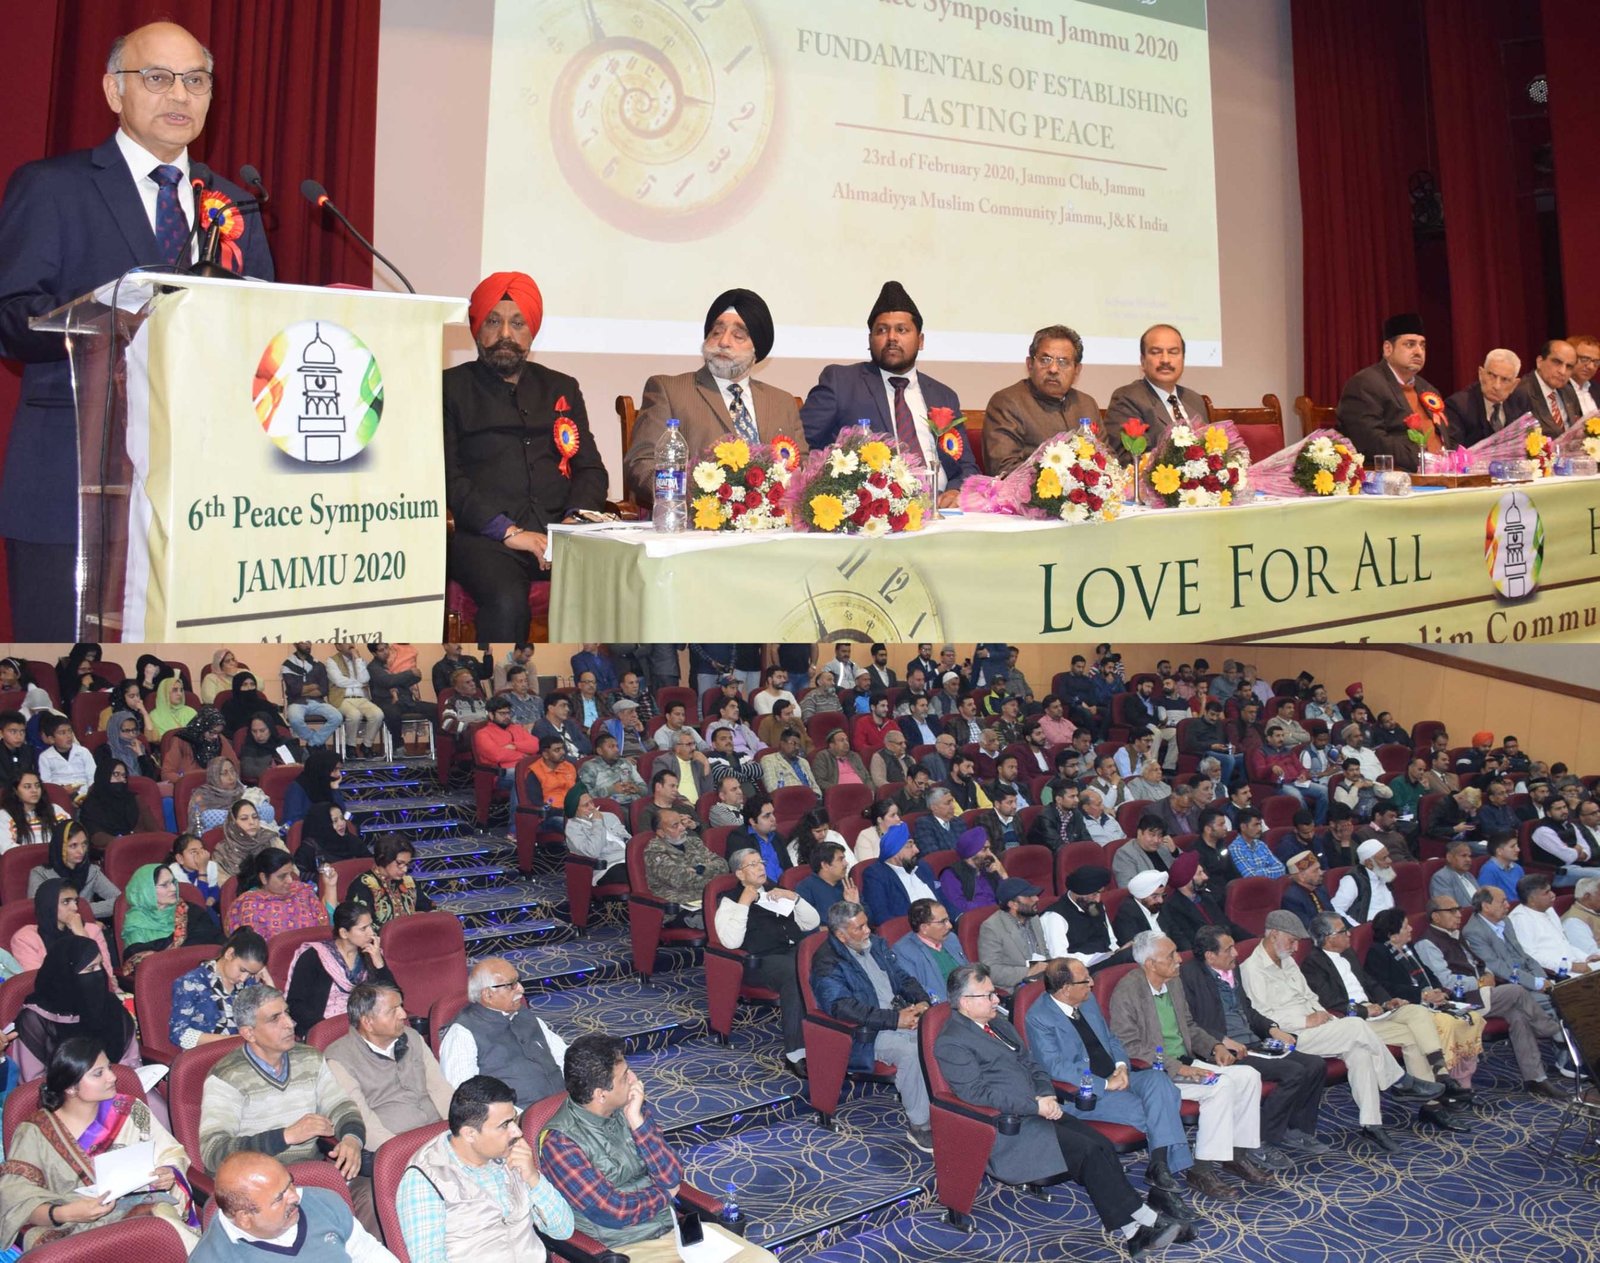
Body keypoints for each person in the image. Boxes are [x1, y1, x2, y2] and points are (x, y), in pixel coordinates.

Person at [0, 21, 273, 635]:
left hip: (200, 493)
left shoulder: (233, 204)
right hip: (72, 482)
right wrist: (109, 313)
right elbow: (9, 319)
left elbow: (259, 332)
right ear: (113, 90)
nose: (180, 95)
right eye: (157, 78)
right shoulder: (52, 187)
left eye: (196, 81)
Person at [936, 964, 1187, 1257]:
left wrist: (1045, 1093)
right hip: (1008, 1127)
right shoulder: (952, 1042)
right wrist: (1034, 1105)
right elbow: (976, 1094)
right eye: (988, 995)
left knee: (1101, 1144)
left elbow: (1033, 1065)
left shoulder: (999, 1025)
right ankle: (1141, 1224)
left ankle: (1137, 1228)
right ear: (966, 1002)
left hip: (1038, 1110)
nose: (996, 1000)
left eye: (994, 993)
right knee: (1088, 1152)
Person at [444, 274, 606, 636]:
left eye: (517, 323)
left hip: (559, 533)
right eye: (493, 321)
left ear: (532, 332)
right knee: (506, 600)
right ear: (476, 329)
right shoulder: (450, 387)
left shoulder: (562, 387)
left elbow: (591, 469)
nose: (505, 334)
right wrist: (508, 531)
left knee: (617, 582)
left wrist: (573, 522)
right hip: (484, 538)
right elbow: (448, 477)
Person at [542, 1035, 779, 1260]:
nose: (634, 1079)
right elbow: (615, 1211)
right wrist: (665, 1194)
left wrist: (637, 1122)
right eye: (624, 1077)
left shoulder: (629, 1107)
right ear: (601, 1094)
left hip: (674, 1228)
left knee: (763, 1260)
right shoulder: (560, 1142)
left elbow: (672, 1174)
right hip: (625, 1245)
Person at [1239, 911, 1436, 1153]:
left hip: (1319, 1027)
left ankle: (1372, 1124)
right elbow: (1260, 1016)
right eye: (1292, 940)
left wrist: (1327, 1018)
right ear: (1274, 935)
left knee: (1360, 1052)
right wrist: (1306, 1020)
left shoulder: (1287, 960)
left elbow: (1310, 997)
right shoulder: (1252, 969)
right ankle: (1398, 1080)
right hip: (1291, 1036)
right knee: (1356, 1025)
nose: (1296, 947)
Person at [198, 986, 377, 1234]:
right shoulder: (226, 1077)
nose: (290, 1024)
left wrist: (351, 1139)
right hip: (260, 1192)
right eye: (275, 1018)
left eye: (287, 1013)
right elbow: (213, 1152)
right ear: (249, 1033)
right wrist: (286, 1136)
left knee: (374, 1196)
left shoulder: (309, 1058)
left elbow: (341, 1106)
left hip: (310, 1177)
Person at [1025, 956, 1201, 1206]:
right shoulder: (1039, 1017)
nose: (1092, 983)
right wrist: (1106, 1084)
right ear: (1066, 989)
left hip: (1119, 1077)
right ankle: (1163, 1181)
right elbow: (1055, 1067)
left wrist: (1121, 1067)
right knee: (1158, 1109)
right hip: (1087, 1093)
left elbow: (1111, 1039)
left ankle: (1159, 1167)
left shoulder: (1086, 1001)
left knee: (1160, 1082)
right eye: (1085, 980)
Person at [1108, 932, 1274, 1192]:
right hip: (1158, 1072)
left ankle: (1236, 1154)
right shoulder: (1128, 991)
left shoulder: (1173, 983)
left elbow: (1189, 1026)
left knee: (1249, 1075)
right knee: (1220, 1086)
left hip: (1186, 1061)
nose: (1179, 959)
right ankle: (1202, 1169)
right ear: (1150, 964)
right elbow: (1129, 1045)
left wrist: (1214, 1046)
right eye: (1171, 955)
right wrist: (1178, 1067)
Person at [0, 1037, 199, 1251]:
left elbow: (170, 1152)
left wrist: (167, 1172)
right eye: (98, 1073)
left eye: (109, 1068)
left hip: (139, 1213)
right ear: (71, 1087)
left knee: (166, 1225)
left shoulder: (129, 1110)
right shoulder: (35, 1132)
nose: (112, 1077)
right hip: (70, 1231)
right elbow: (15, 1199)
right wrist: (66, 1213)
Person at [800, 280, 976, 506]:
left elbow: (967, 466)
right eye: (882, 330)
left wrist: (955, 490)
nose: (892, 337)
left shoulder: (944, 396)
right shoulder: (841, 382)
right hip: (873, 512)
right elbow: (802, 445)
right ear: (870, 340)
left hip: (941, 510)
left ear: (920, 341)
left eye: (902, 330)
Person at [624, 288, 804, 504]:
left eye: (738, 336)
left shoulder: (782, 402)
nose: (724, 342)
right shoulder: (668, 390)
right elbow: (642, 465)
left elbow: (804, 468)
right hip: (697, 518)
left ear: (757, 350)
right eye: (716, 332)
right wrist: (701, 499)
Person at [1178, 926, 1332, 1161]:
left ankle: (1294, 1129)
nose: (1236, 953)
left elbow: (1248, 1010)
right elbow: (1191, 1023)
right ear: (1210, 956)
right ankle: (1259, 1139)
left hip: (1253, 1041)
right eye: (1229, 949)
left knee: (1315, 1065)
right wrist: (1222, 1041)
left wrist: (1272, 1029)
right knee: (1293, 1072)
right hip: (1224, 1049)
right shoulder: (1188, 976)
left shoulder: (1232, 969)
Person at [1298, 914, 1465, 1125]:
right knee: (1412, 1038)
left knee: (1416, 1011)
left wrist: (1387, 1001)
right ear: (1328, 938)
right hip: (1355, 1021)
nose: (1349, 934)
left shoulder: (1348, 954)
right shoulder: (1313, 964)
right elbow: (1330, 1002)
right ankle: (1432, 1106)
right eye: (1343, 931)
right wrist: (1365, 1011)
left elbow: (1370, 983)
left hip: (1377, 1011)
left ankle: (1441, 1073)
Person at [395, 1075, 574, 1263]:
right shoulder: (425, 1180)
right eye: (505, 1125)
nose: (517, 1132)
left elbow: (563, 1230)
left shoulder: (512, 1153)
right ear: (470, 1134)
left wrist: (533, 1177)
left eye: (513, 1120)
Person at [1415, 894, 1569, 1098]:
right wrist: (1479, 982)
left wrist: (1487, 974)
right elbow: (1446, 981)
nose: (1459, 914)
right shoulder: (1427, 943)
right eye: (1452, 911)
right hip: (1460, 999)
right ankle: (1553, 1031)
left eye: (1458, 909)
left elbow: (1479, 963)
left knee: (1518, 1016)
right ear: (1435, 916)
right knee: (1516, 991)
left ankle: (1536, 1078)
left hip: (1483, 992)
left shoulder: (1456, 934)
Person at [811, 901, 934, 1150]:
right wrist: (894, 1020)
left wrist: (922, 1001)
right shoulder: (827, 962)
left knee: (942, 1038)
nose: (868, 931)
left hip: (899, 1014)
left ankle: (950, 1110)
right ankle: (920, 1125)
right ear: (841, 935)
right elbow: (842, 1007)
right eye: (860, 928)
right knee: (912, 1052)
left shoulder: (875, 944)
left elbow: (902, 978)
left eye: (866, 924)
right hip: (868, 1032)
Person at [717, 846, 817, 1075]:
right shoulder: (730, 900)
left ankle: (834, 1038)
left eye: (761, 862)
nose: (761, 867)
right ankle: (795, 1053)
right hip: (760, 961)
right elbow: (730, 941)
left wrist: (795, 898)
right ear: (739, 873)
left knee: (827, 962)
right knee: (795, 973)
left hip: (792, 950)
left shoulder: (776, 890)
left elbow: (811, 923)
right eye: (753, 864)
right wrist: (744, 903)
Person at [324, 983, 452, 1158]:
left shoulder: (412, 1037)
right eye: (393, 1011)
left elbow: (440, 1089)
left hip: (439, 1135)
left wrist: (459, 1130)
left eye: (401, 1006)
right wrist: (402, 1153)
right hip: (396, 1146)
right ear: (368, 1022)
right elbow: (362, 1121)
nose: (403, 1015)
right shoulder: (340, 1059)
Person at [1365, 907, 1486, 1092]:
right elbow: (1385, 988)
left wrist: (1439, 992)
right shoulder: (1377, 953)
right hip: (1411, 1005)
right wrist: (1422, 995)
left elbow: (1429, 974)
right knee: (1448, 1024)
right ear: (1392, 935)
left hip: (1432, 1001)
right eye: (1405, 927)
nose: (1411, 929)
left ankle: (1464, 1080)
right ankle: (1444, 1077)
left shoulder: (1409, 948)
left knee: (1472, 1017)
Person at [196, 1151, 396, 1262]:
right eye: (279, 1197)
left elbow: (368, 1253)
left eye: (290, 1183)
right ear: (244, 1219)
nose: (295, 1196)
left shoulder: (323, 1202)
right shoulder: (211, 1257)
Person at [438, 957, 570, 1105]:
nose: (521, 989)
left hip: (565, 1103)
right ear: (488, 994)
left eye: (518, 981)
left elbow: (564, 1057)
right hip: (520, 1115)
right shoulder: (462, 1033)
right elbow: (466, 1097)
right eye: (511, 985)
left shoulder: (525, 1015)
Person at [14, 935, 140, 1081]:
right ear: (67, 974)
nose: (99, 974)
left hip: (117, 1084)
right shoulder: (35, 1019)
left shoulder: (111, 1006)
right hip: (63, 1094)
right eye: (90, 968)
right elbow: (32, 1081)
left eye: (100, 966)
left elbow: (130, 1061)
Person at [1335, 313, 1449, 470]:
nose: (1419, 351)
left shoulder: (1428, 389)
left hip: (1443, 473)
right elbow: (1371, 442)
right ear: (1388, 349)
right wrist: (1425, 460)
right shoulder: (1365, 384)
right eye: (1410, 344)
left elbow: (1447, 436)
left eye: (1422, 346)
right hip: (1401, 475)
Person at [1101, 324, 1211, 464]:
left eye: (1173, 352)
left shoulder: (1195, 400)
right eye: (1156, 352)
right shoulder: (1127, 398)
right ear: (1143, 361)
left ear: (1183, 359)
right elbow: (1128, 459)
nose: (1165, 360)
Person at [284, 901, 396, 1038]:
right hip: (325, 1028)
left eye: (371, 926)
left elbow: (394, 998)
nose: (371, 933)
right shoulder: (314, 957)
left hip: (367, 1026)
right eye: (363, 929)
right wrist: (328, 1029)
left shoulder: (371, 953)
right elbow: (295, 1005)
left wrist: (379, 963)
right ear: (344, 933)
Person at [170, 928, 272, 1049]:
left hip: (243, 1051)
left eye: (251, 973)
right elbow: (179, 1034)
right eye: (242, 970)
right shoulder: (192, 983)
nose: (244, 978)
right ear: (229, 954)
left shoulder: (249, 982)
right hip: (207, 1053)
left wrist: (269, 981)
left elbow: (273, 1019)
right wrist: (232, 1041)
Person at [120, 860, 223, 974]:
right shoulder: (136, 922)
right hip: (161, 978)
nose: (173, 888)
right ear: (147, 890)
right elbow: (139, 962)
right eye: (165, 885)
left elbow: (214, 943)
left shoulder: (190, 911)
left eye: (173, 882)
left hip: (201, 972)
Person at [226, 848, 336, 939]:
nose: (290, 880)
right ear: (263, 878)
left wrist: (331, 886)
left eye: (290, 874)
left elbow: (327, 923)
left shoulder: (301, 891)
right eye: (282, 876)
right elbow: (255, 949)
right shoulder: (249, 906)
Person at [473, 695, 541, 834]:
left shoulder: (516, 728)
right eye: (502, 713)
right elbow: (497, 755)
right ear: (491, 715)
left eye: (508, 713)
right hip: (500, 775)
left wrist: (514, 746)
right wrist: (524, 756)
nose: (507, 717)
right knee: (521, 778)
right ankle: (515, 830)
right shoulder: (482, 734)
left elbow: (536, 744)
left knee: (527, 777)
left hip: (524, 770)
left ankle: (538, 825)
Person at [1509, 872, 1600, 976]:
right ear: (1532, 899)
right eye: (1546, 893)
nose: (1553, 895)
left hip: (1573, 964)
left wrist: (1586, 957)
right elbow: (1530, 957)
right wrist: (1570, 966)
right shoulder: (1520, 919)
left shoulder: (1549, 910)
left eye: (1551, 890)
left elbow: (1564, 943)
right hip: (1553, 973)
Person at [1041, 866, 1131, 970]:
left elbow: (1111, 940)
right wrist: (1097, 958)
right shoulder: (1055, 916)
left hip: (1107, 960)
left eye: (1100, 893)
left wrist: (1117, 952)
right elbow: (1059, 957)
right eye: (1094, 894)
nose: (1098, 900)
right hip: (1081, 969)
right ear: (1079, 893)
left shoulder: (1094, 905)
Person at [28, 819, 121, 920]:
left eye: (84, 844)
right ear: (60, 847)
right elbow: (40, 910)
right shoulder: (40, 874)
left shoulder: (91, 871)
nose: (81, 851)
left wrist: (84, 911)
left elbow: (119, 901)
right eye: (73, 845)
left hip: (87, 924)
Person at [862, 823, 947, 926]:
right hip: (912, 931)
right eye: (910, 846)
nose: (917, 850)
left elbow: (943, 898)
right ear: (895, 851)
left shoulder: (922, 866)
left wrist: (958, 918)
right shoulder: (876, 875)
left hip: (944, 924)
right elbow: (881, 916)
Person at [977, 876, 1051, 989]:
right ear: (1013, 904)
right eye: (1029, 896)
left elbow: (1044, 951)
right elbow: (991, 970)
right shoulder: (992, 927)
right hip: (1017, 985)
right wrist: (1029, 971)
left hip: (1043, 979)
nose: (1036, 899)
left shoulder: (1033, 918)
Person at [890, 898, 967, 1002]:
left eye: (948, 920)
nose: (949, 926)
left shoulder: (951, 939)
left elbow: (966, 970)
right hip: (944, 1005)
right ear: (924, 928)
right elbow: (917, 990)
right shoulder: (903, 951)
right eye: (942, 922)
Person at [1443, 348, 1522, 447]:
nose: (1497, 386)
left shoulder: (1520, 404)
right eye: (1492, 376)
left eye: (1505, 379)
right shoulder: (1458, 406)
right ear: (1481, 374)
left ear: (1514, 384)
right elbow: (1453, 450)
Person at [348, 837, 433, 928]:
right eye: (399, 863)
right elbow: (364, 926)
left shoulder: (408, 881)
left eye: (407, 864)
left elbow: (429, 908)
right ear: (384, 858)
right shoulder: (363, 884)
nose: (405, 869)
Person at [1507, 338, 1583, 437]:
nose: (1562, 371)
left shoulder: (1569, 391)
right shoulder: (1521, 392)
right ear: (1539, 362)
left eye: (1569, 367)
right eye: (1557, 362)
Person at [324, 644, 387, 759]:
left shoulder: (360, 660)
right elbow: (339, 681)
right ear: (338, 646)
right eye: (346, 642)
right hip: (342, 698)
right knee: (354, 715)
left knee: (378, 714)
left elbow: (365, 679)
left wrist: (357, 659)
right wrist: (360, 684)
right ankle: (350, 746)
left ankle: (366, 745)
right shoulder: (331, 661)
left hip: (362, 698)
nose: (350, 644)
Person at [564, 788, 629, 887]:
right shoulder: (573, 828)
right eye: (586, 805)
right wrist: (597, 823)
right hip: (607, 867)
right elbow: (593, 852)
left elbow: (627, 837)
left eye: (591, 802)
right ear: (575, 810)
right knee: (636, 875)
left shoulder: (610, 816)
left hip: (629, 859)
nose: (592, 807)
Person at [1, 767, 72, 851]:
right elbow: (7, 848)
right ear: (15, 791)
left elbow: (73, 838)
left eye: (37, 786)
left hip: (56, 857)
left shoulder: (55, 810)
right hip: (23, 858)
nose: (34, 790)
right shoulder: (4, 816)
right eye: (27, 787)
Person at [163, 706, 239, 782]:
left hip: (216, 785)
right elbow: (167, 774)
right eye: (212, 732)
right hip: (189, 785)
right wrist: (186, 781)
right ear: (201, 728)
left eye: (218, 733)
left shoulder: (219, 740)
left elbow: (234, 765)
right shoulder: (182, 740)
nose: (215, 736)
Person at [283, 747, 349, 829]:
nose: (338, 774)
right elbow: (292, 821)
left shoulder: (329, 784)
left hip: (330, 830)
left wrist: (335, 789)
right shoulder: (297, 787)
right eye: (335, 769)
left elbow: (341, 814)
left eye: (339, 770)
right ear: (322, 769)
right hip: (307, 832)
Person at [37, 713, 95, 798]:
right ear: (51, 739)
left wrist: (90, 794)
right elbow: (47, 783)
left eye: (70, 731)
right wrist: (62, 790)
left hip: (86, 794)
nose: (68, 736)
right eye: (62, 733)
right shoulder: (45, 757)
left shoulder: (83, 752)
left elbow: (92, 777)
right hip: (61, 796)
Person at [169, 830, 222, 909]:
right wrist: (202, 870)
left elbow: (214, 888)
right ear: (180, 858)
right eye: (193, 852)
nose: (200, 855)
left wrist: (212, 898)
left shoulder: (210, 866)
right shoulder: (173, 873)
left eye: (201, 850)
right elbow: (198, 901)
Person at [815, 726, 870, 791]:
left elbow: (867, 778)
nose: (846, 743)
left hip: (862, 792)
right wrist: (837, 790)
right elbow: (820, 781)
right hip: (840, 794)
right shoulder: (823, 756)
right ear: (832, 745)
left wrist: (871, 790)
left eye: (847, 740)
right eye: (842, 740)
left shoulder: (854, 756)